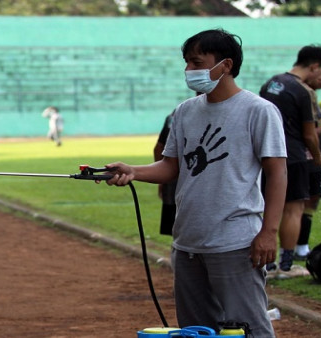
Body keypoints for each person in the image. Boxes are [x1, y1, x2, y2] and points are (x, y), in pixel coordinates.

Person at [103, 29, 286, 337]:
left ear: (225, 65)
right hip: (187, 241)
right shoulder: (185, 111)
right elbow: (171, 166)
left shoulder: (259, 111)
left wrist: (268, 233)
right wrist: (132, 171)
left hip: (235, 241)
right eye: (187, 63)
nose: (189, 70)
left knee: (247, 327)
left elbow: (278, 173)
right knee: (196, 330)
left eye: (196, 62)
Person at [260, 45, 321, 278]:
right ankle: (285, 267)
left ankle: (266, 265)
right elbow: (309, 134)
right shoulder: (302, 91)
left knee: (268, 208)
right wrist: (319, 157)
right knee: (293, 210)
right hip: (295, 157)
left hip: (267, 155)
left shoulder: (270, 84)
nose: (319, 77)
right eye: (320, 73)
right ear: (314, 66)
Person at [296, 74, 321, 260]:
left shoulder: (311, 100)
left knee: (306, 204)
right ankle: (299, 248)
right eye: (320, 75)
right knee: (305, 204)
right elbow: (311, 133)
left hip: (314, 157)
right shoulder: (307, 99)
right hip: (312, 160)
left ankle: (299, 247)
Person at [153, 110, 176, 236]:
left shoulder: (174, 115)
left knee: (174, 232)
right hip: (197, 184)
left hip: (171, 184)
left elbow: (158, 148)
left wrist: (161, 178)